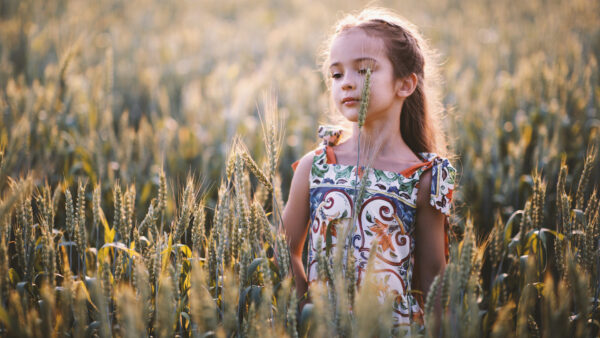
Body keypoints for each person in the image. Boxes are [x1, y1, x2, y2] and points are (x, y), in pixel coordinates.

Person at [282, 7, 456, 330]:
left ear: (404, 84)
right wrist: (308, 309)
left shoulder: (424, 178)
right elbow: (285, 250)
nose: (347, 83)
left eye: (363, 71)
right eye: (337, 74)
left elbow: (435, 285)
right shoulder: (315, 167)